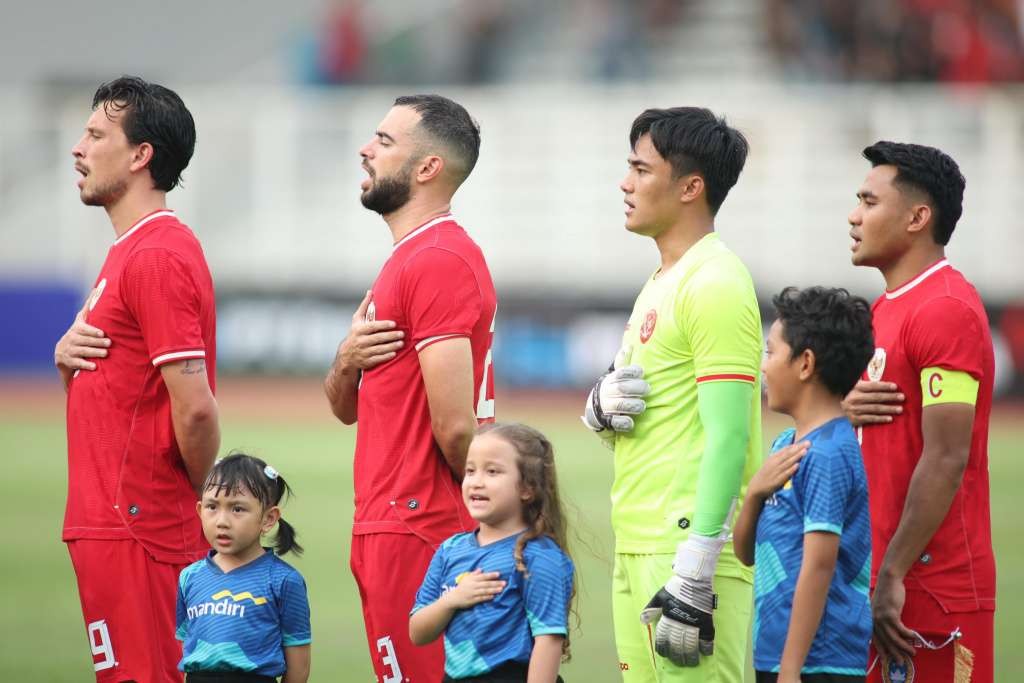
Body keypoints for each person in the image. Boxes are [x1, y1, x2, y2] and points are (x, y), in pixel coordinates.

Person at [581, 106, 762, 682]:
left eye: (640, 168)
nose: (624, 182)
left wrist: (698, 563)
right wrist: (601, 412)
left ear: (690, 187)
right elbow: (657, 416)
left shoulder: (717, 281)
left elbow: (730, 435)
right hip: (637, 539)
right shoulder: (663, 280)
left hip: (685, 551)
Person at [323, 94, 497, 681]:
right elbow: (344, 406)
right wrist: (346, 360)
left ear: (427, 169)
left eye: (385, 141)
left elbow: (454, 426)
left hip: (421, 525)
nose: (365, 150)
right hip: (390, 520)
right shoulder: (406, 260)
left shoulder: (438, 259)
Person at [54, 76, 219, 683]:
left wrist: (205, 502)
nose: (79, 147)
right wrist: (67, 364)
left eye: (97, 134)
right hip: (114, 523)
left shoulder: (155, 254)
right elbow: (124, 390)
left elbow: (195, 408)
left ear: (140, 155)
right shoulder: (131, 250)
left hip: (139, 526)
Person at [843, 142, 995, 683]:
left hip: (930, 590)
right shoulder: (888, 307)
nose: (854, 215)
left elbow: (947, 455)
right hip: (883, 577)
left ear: (916, 217)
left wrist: (892, 574)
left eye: (868, 201)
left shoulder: (944, 308)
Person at [733, 286, 874, 683]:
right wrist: (756, 492)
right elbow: (745, 554)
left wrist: (792, 669)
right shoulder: (784, 445)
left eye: (771, 352)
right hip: (777, 656)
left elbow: (819, 564)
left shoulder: (828, 455)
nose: (763, 367)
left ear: (805, 363)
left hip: (819, 664)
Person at [409, 423, 574, 682]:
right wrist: (452, 599)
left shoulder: (537, 556)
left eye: (493, 471)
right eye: (470, 470)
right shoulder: (450, 550)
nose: (476, 482)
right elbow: (417, 632)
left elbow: (549, 640)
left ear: (527, 488)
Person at [176, 453, 311, 683]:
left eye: (237, 509)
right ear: (199, 511)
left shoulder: (284, 580)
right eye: (212, 507)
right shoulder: (189, 577)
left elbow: (299, 665)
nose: (222, 521)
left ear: (269, 519)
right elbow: (187, 648)